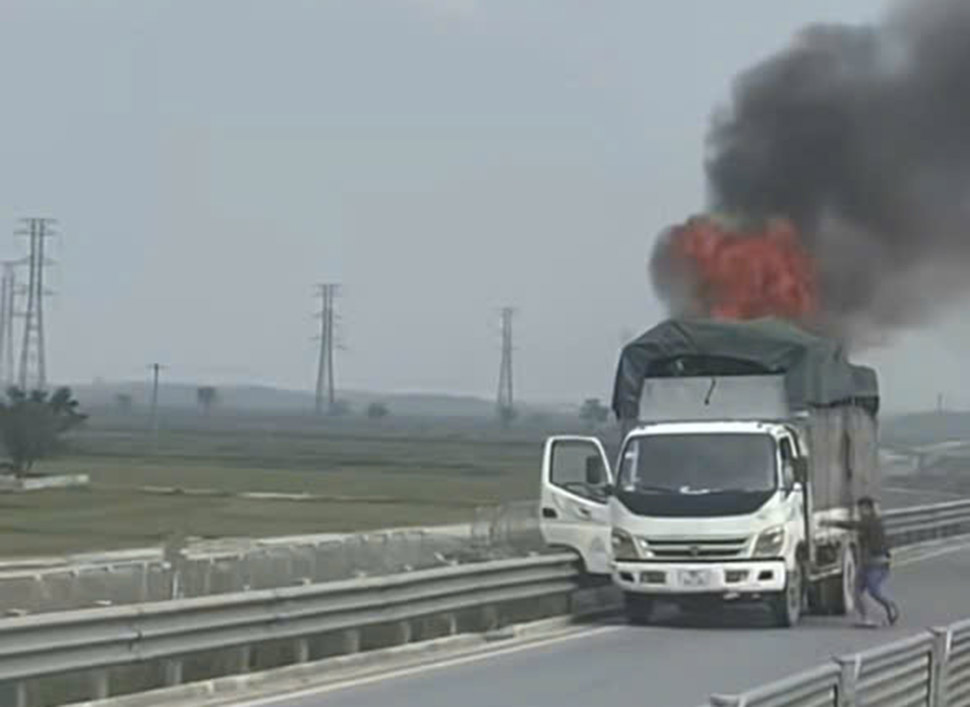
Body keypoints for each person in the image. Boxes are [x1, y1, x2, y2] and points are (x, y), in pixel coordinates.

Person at [822, 496, 900, 627]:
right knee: (856, 591)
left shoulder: (872, 521)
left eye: (862, 509)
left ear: (868, 509)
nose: (859, 512)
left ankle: (890, 607)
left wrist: (831, 523)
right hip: (866, 563)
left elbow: (853, 525)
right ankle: (866, 618)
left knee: (873, 590)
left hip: (878, 563)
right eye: (859, 509)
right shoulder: (870, 521)